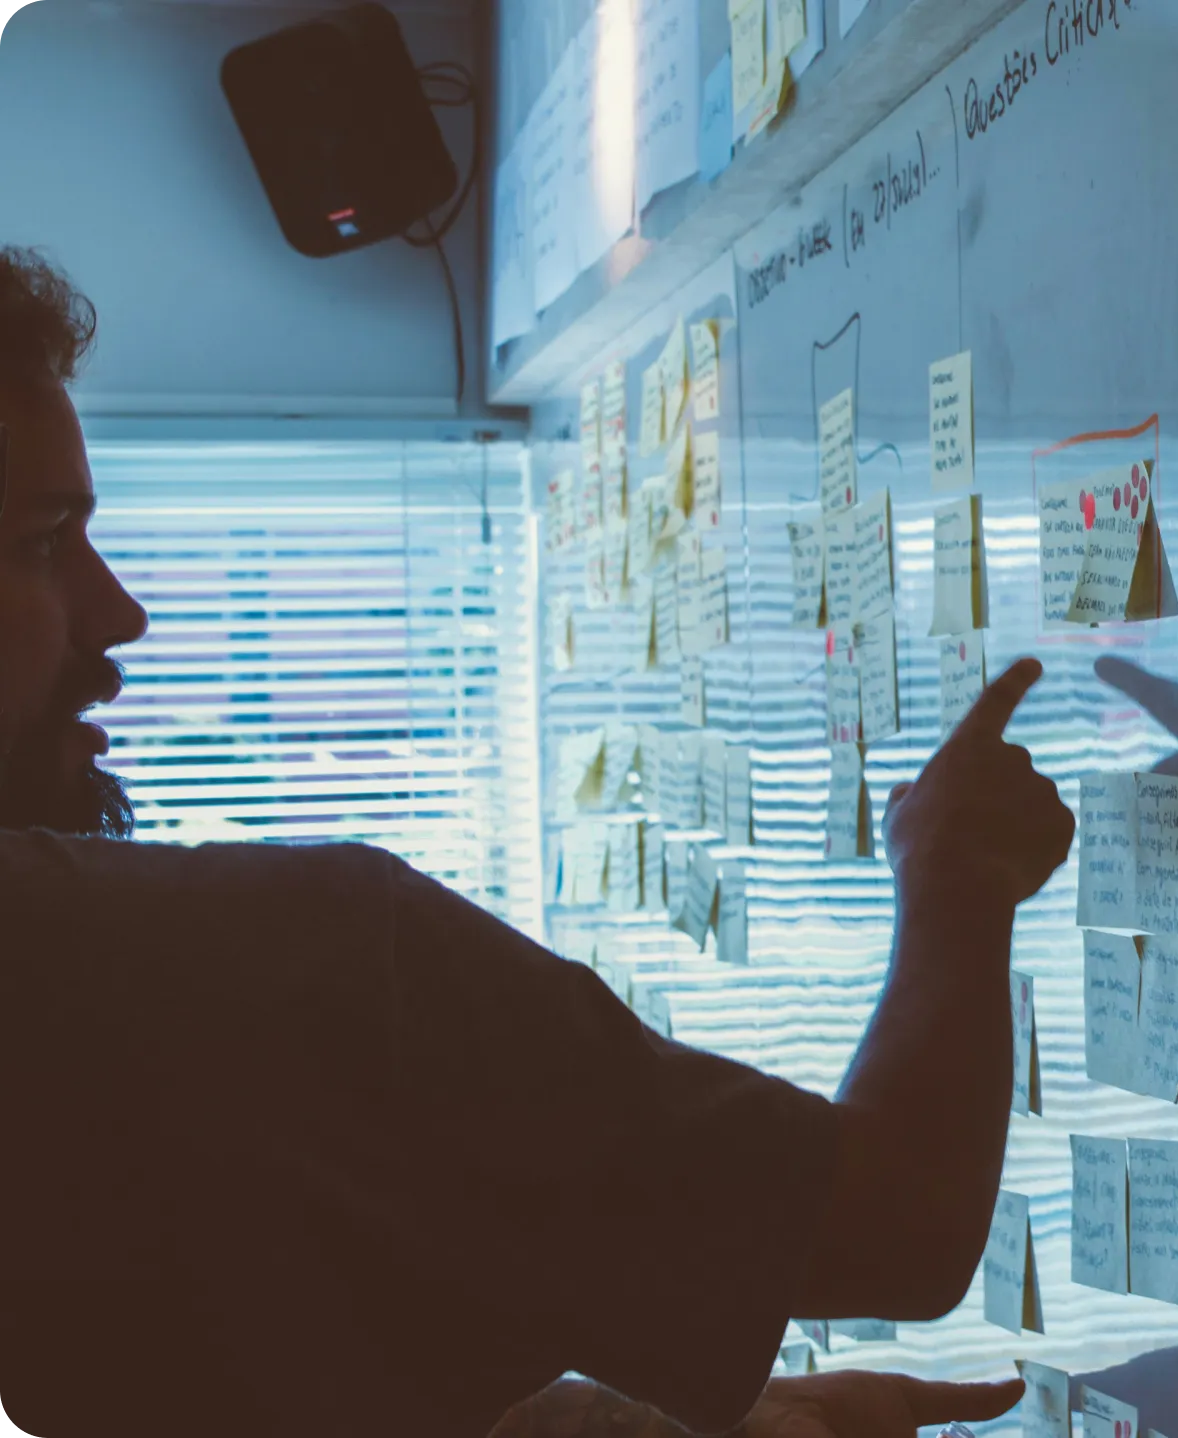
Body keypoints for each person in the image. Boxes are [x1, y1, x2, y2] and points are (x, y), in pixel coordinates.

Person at [0, 245, 1073, 1437]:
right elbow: (897, 1222)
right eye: (42, 539)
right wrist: (954, 878)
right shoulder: (291, 964)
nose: (120, 612)